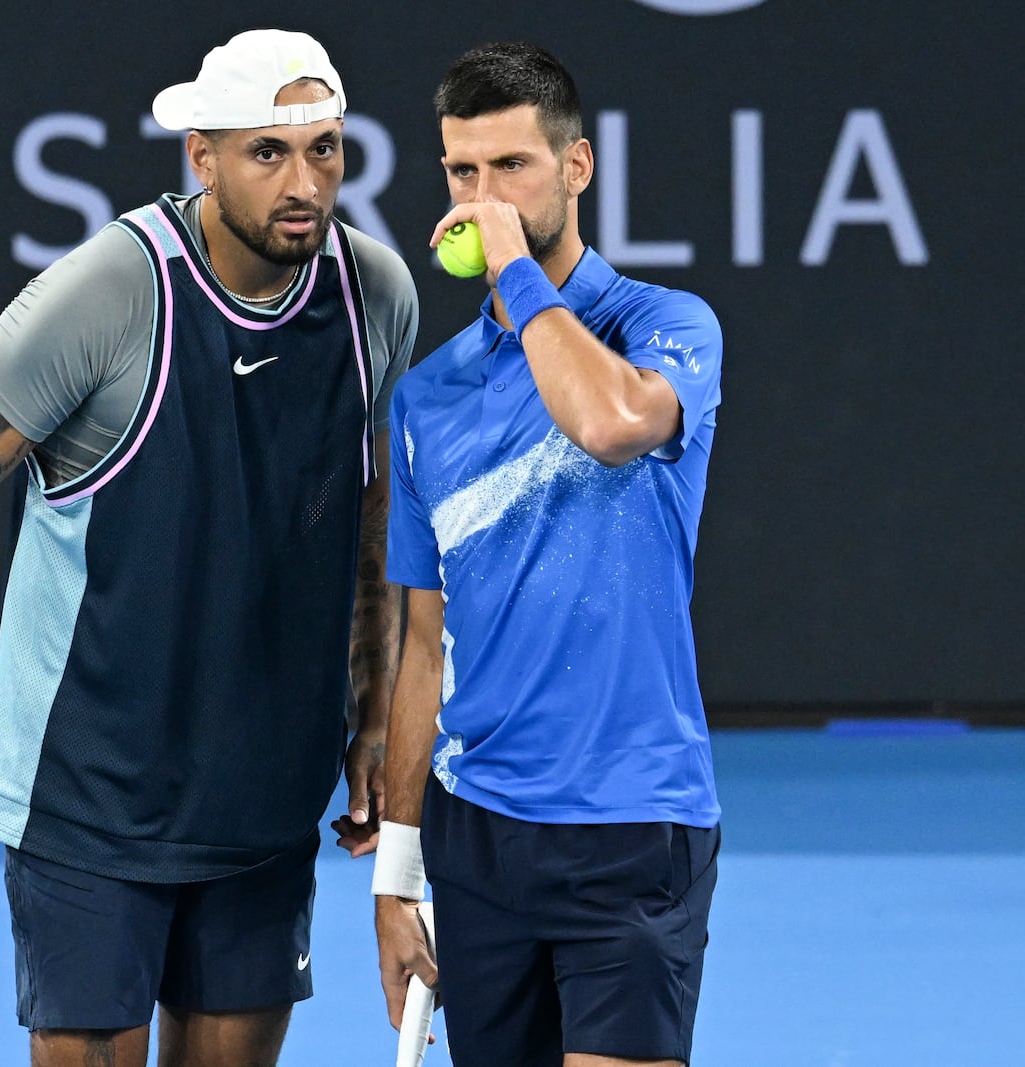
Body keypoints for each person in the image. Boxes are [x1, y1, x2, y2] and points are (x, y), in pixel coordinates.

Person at [0, 29, 418, 1067]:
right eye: (267, 154)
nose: (304, 184)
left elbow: (366, 512)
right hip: (91, 797)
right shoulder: (103, 295)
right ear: (202, 155)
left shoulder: (375, 296)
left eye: (324, 150)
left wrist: (371, 718)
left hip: (267, 797)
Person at [366, 41, 723, 1067]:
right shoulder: (430, 397)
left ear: (576, 167)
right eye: (461, 174)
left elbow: (612, 423)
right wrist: (397, 874)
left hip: (634, 820)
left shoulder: (664, 327)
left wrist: (517, 271)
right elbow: (420, 645)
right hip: (477, 833)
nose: (483, 201)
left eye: (511, 167)